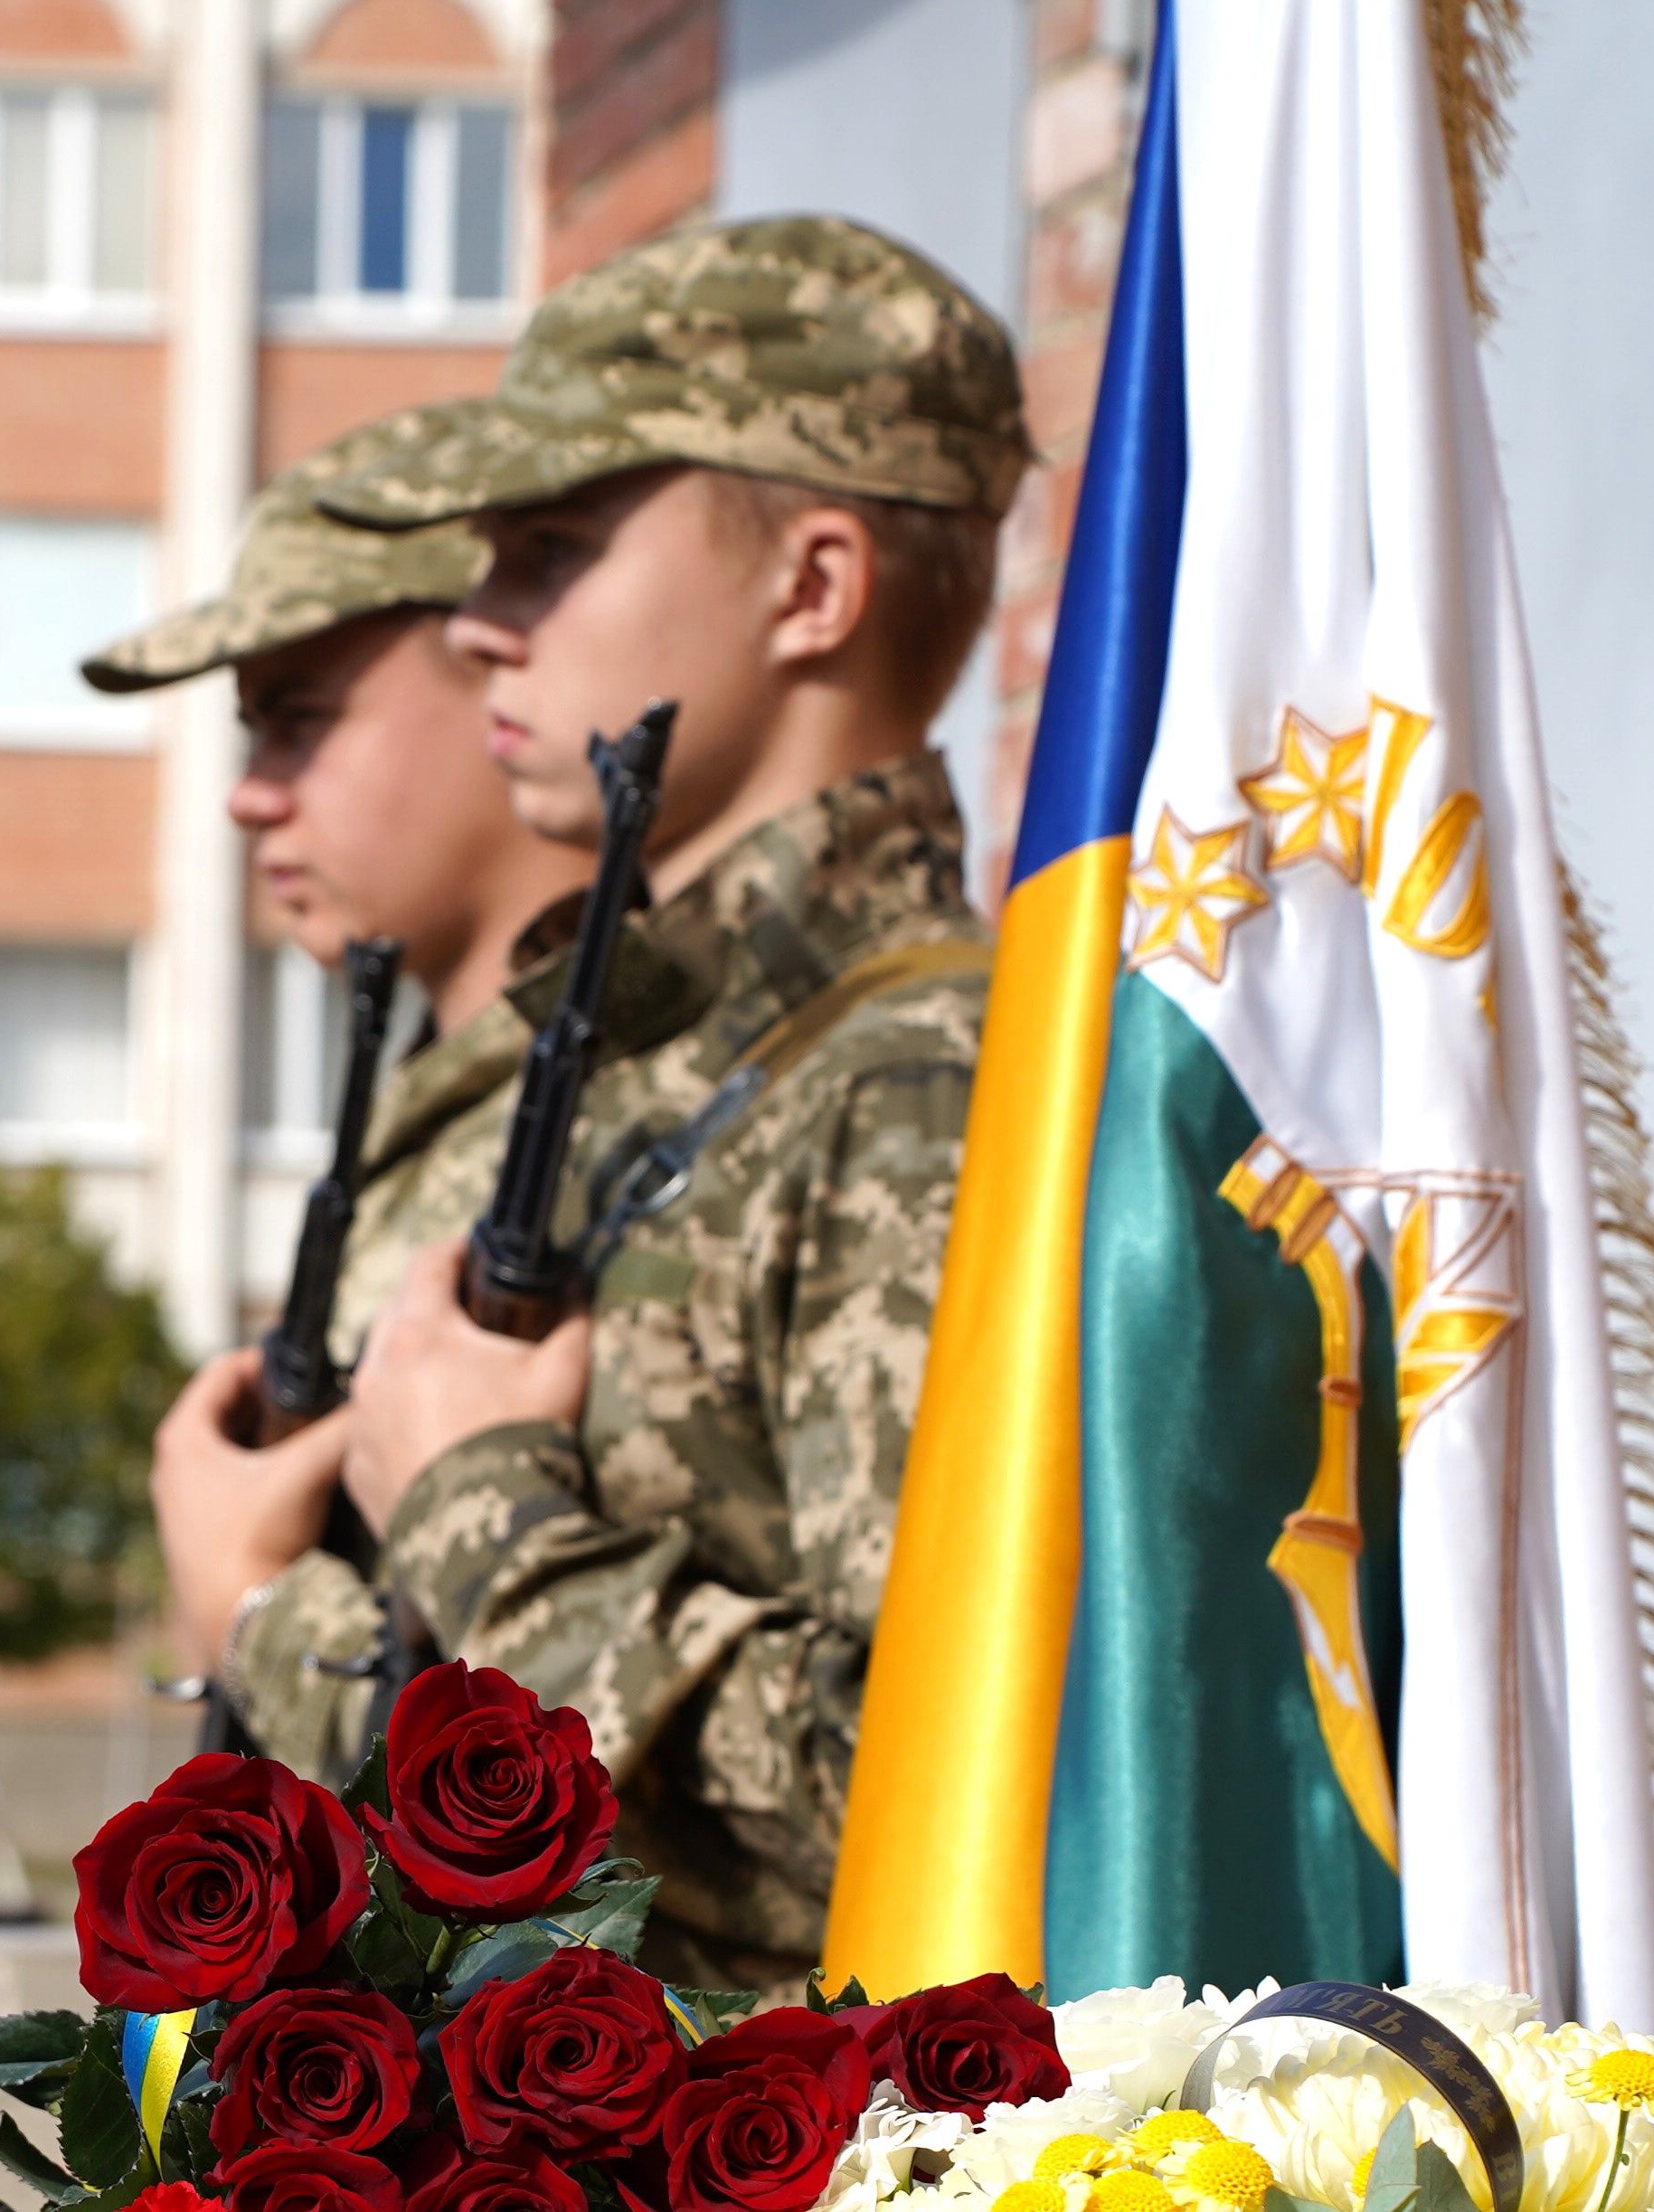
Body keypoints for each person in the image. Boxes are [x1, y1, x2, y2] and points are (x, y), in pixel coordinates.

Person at [168, 215, 1026, 1990]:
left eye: (552, 552)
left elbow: (941, 1809)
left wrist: (464, 1518)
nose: (481, 630)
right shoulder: (680, 1069)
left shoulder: (919, 1094)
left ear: (813, 586)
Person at [89, 417, 598, 1689]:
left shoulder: (649, 1106)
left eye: (302, 722)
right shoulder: (425, 1094)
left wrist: (258, 1613)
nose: (250, 794)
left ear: (501, 687)